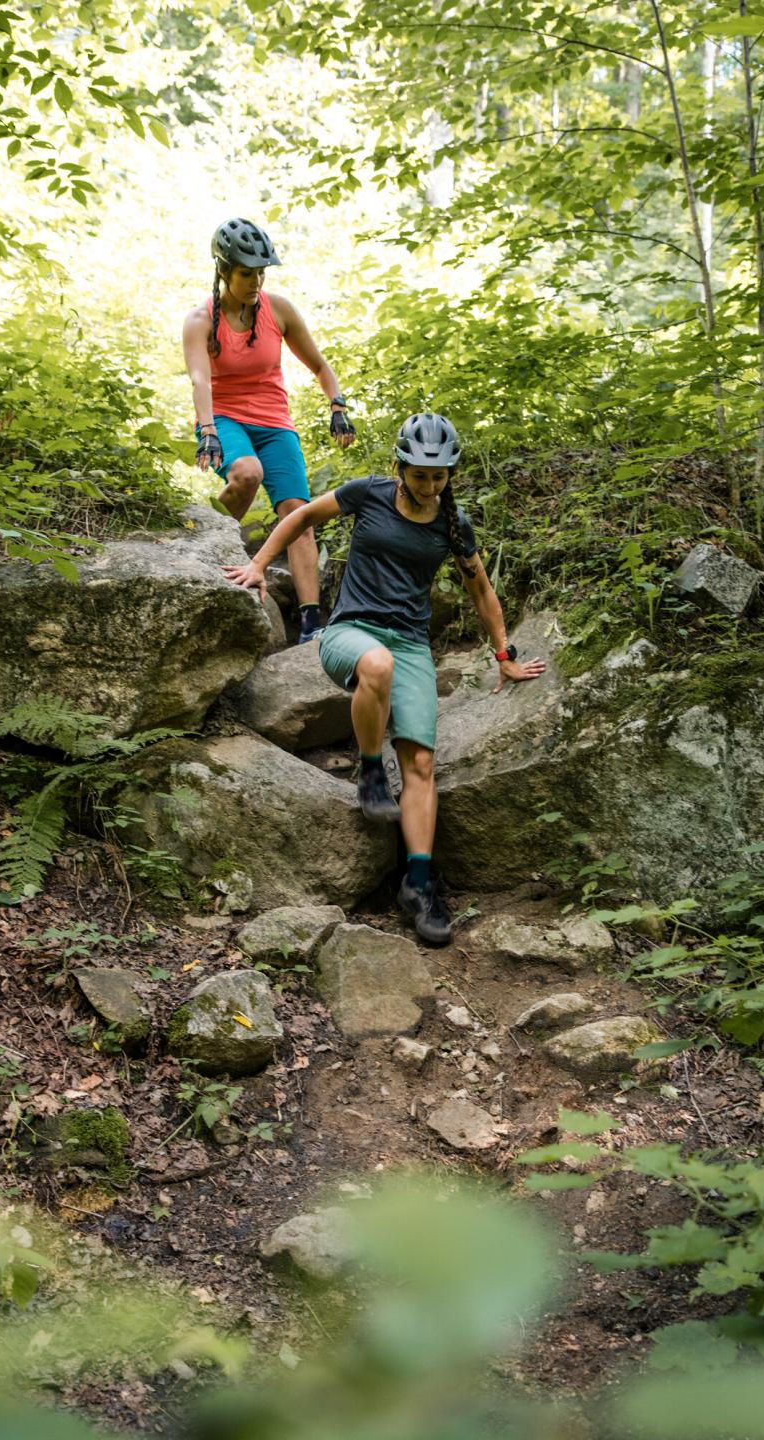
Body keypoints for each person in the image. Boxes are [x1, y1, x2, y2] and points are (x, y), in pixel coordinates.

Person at [225, 412, 546, 946]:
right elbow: (301, 516)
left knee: (420, 761)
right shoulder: (367, 494)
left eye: (439, 475)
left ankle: (418, 883)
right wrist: (259, 564)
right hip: (351, 631)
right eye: (420, 474)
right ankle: (370, 772)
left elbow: (482, 592)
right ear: (401, 467)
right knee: (377, 665)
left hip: (413, 643)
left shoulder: (452, 524)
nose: (429, 485)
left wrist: (504, 653)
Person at [183, 217, 356, 643]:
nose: (256, 281)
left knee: (299, 512)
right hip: (222, 417)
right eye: (247, 273)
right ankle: (210, 542)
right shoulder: (200, 319)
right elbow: (201, 381)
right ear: (223, 270)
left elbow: (319, 365)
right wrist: (207, 430)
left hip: (274, 420)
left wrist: (338, 405)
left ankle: (312, 622)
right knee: (246, 473)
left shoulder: (278, 310)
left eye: (261, 272)